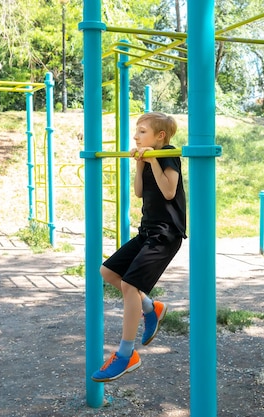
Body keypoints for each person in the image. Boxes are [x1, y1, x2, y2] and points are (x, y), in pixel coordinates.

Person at [91, 112, 187, 383]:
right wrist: (139, 165)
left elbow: (169, 191)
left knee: (129, 286)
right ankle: (151, 308)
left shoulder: (168, 153)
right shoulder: (151, 156)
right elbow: (138, 192)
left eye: (142, 131)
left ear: (160, 136)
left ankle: (126, 353)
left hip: (166, 234)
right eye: (136, 131)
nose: (135, 136)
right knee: (108, 271)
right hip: (147, 231)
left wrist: (153, 160)